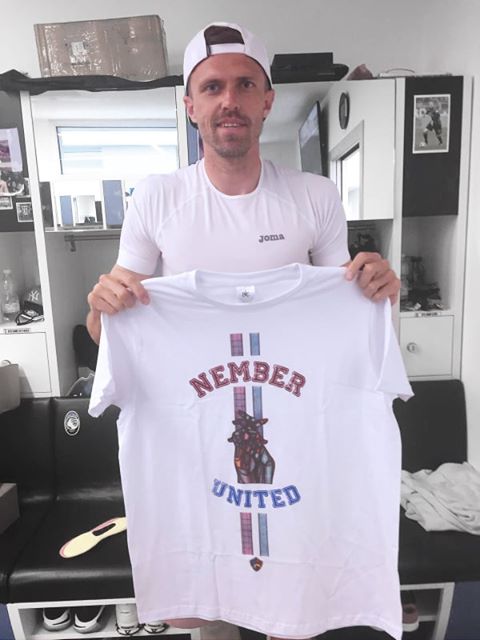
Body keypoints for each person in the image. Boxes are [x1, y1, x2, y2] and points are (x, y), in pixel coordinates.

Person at [86, 22, 401, 640]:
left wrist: (380, 292)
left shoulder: (314, 197)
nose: (228, 100)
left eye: (244, 85)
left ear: (267, 100)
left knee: (292, 610)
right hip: (197, 444)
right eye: (211, 88)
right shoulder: (157, 199)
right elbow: (110, 339)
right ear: (190, 105)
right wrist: (101, 308)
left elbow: (343, 318)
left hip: (295, 434)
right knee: (213, 616)